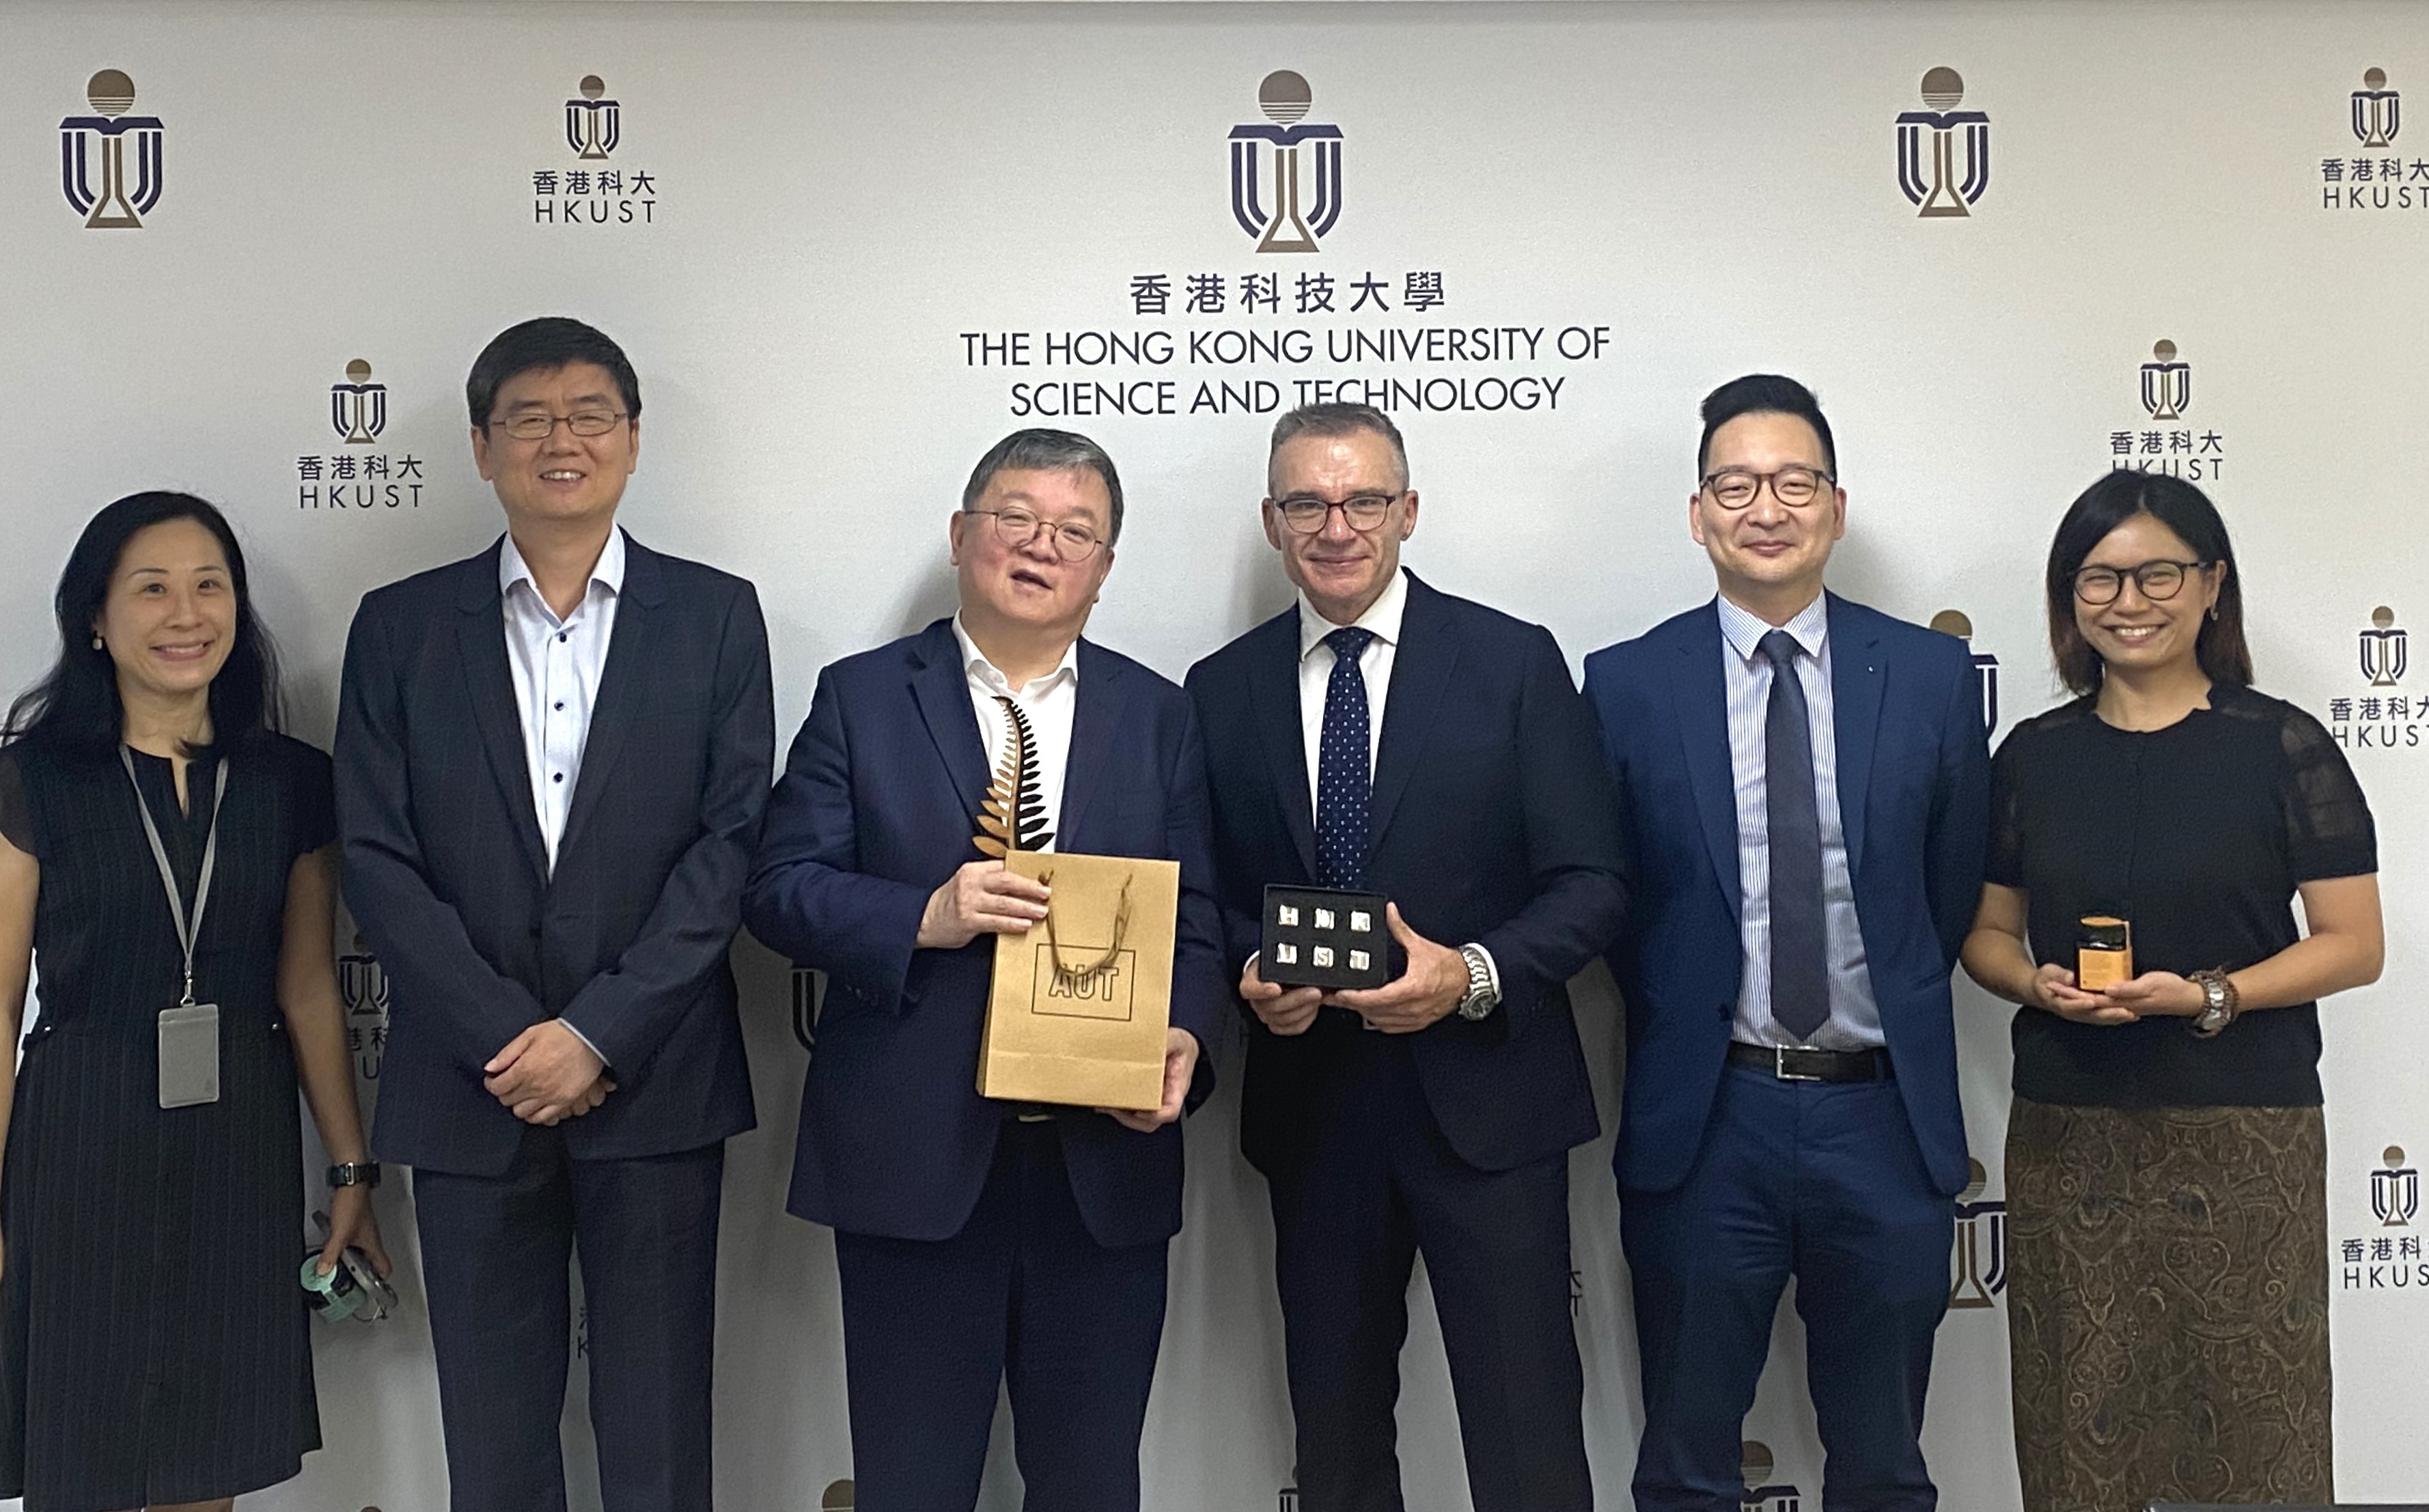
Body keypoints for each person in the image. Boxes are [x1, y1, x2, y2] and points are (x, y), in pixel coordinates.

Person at [334, 318, 773, 1512]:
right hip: (468, 1090)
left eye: (589, 414)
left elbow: (729, 844)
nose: (560, 438)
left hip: (657, 1081)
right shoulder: (402, 626)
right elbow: (376, 854)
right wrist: (505, 1035)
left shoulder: (716, 616)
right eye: (528, 417)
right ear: (482, 448)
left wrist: (598, 1033)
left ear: (632, 439)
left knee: (661, 1429)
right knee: (492, 1431)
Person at [745, 428, 1220, 1512]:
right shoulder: (862, 697)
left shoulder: (1157, 714)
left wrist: (1184, 1043)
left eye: (1075, 530)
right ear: (963, 536)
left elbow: (1198, 918)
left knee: (1092, 1481)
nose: (1040, 546)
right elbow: (777, 887)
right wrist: (925, 910)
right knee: (914, 1483)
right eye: (1016, 518)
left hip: (1102, 1164)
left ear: (1103, 566)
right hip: (915, 1163)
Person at [1184, 402, 1626, 1512]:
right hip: (1314, 1110)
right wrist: (1248, 976)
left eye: (1363, 500)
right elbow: (1205, 897)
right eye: (1307, 503)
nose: (1336, 526)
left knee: (1526, 1435)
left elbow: (1594, 882)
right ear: (1273, 520)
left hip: (1489, 1110)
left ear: (1407, 511)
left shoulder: (1512, 661)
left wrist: (1470, 973)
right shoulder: (1219, 688)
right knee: (1332, 1443)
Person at [1583, 374, 1989, 1512]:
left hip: (1880, 1114)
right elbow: (1617, 902)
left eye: (1793, 481)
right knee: (1685, 1463)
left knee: (1883, 1465)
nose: (1766, 506)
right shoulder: (1623, 683)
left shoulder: (1927, 676)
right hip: (1708, 1115)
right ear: (1699, 512)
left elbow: (1945, 890)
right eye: (1736, 483)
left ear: (1836, 506)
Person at [0, 491, 387, 1512]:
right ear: (95, 617)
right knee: (84, 1464)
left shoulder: (288, 782)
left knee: (207, 1469)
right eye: (152, 589)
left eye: (209, 586)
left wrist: (352, 1165)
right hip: (78, 1155)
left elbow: (312, 987)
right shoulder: (26, 787)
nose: (187, 615)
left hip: (236, 1153)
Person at [1960, 470, 2381, 1511]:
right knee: (2075, 1436)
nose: (2127, 599)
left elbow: (2351, 943)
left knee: (2258, 1436)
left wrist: (2208, 996)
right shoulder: (2028, 758)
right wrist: (2037, 986)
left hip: (2246, 1136)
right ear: (2069, 599)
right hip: (2072, 1132)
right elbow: (1985, 933)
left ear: (2210, 587)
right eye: (2097, 577)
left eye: (2157, 572)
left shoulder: (2281, 745)